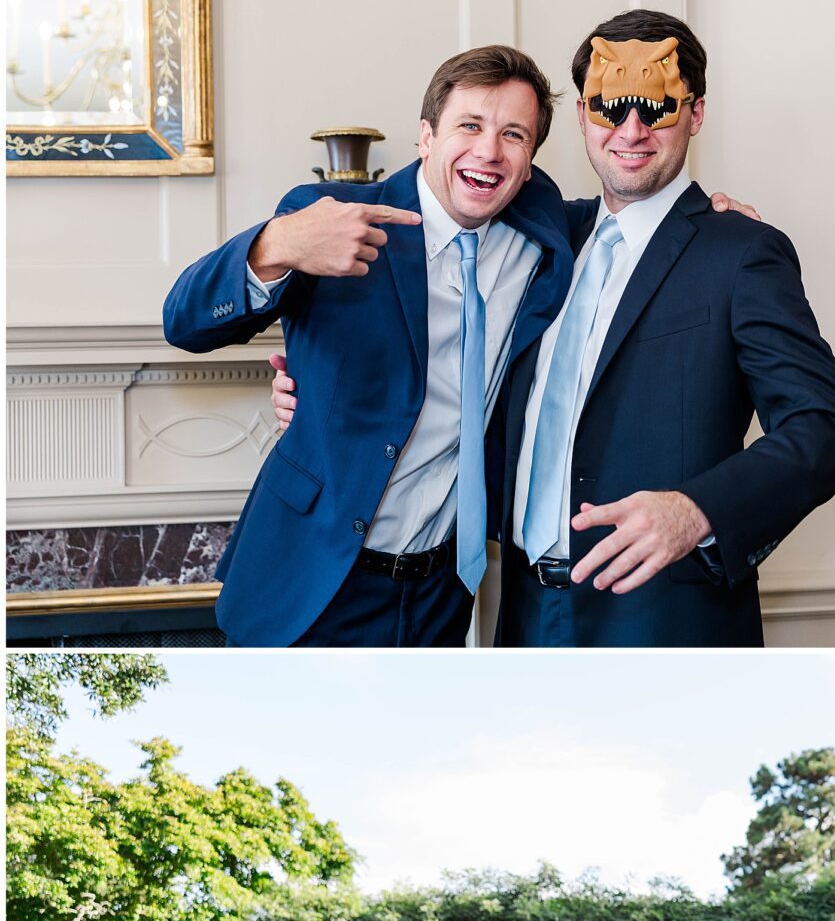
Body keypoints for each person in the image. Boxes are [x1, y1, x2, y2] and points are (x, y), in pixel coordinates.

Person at [163, 45, 576, 646]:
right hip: (313, 579)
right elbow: (185, 322)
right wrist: (275, 243)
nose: (489, 150)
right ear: (426, 136)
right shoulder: (332, 218)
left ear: (531, 159)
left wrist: (714, 214)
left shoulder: (540, 228)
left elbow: (628, 223)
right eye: (470, 125)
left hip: (441, 591)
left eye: (513, 134)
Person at [495, 8, 835, 648]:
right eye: (611, 108)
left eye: (656, 108)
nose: (631, 131)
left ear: (694, 114)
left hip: (665, 624)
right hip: (522, 614)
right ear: (582, 115)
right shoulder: (540, 236)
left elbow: (823, 428)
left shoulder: (743, 253)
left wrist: (696, 512)